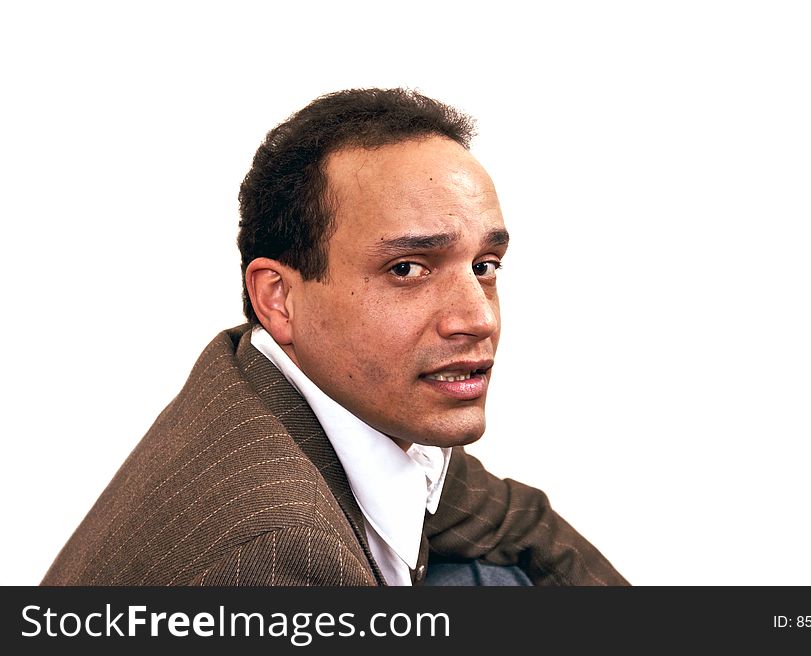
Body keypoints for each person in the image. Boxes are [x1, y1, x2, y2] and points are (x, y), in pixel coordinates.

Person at [42, 88, 628, 586]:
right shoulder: (275, 555)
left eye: (484, 265)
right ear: (278, 298)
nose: (478, 319)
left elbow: (517, 519)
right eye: (408, 269)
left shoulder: (331, 393)